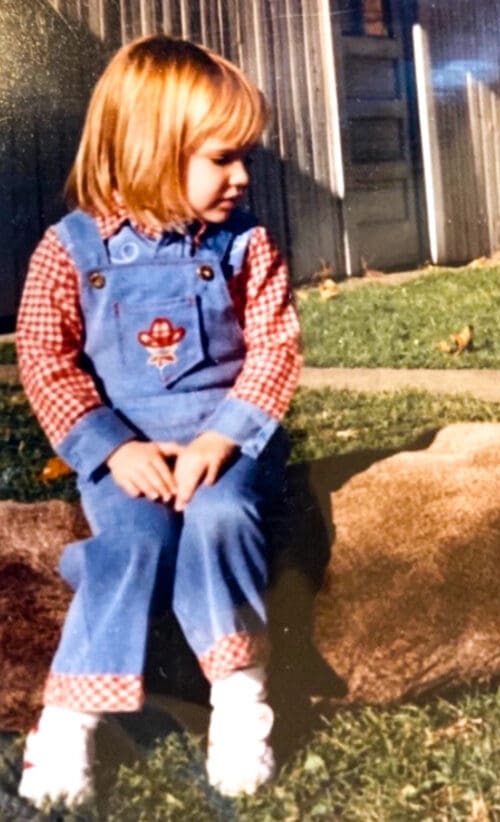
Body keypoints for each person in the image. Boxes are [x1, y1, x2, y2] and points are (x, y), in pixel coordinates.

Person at [15, 35, 301, 806]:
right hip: (128, 450)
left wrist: (223, 437)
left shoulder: (246, 247)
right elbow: (45, 359)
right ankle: (68, 722)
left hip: (226, 440)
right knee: (131, 544)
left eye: (245, 156)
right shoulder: (69, 251)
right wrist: (110, 450)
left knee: (220, 517)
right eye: (221, 158)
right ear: (148, 152)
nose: (242, 176)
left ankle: (240, 699)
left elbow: (275, 348)